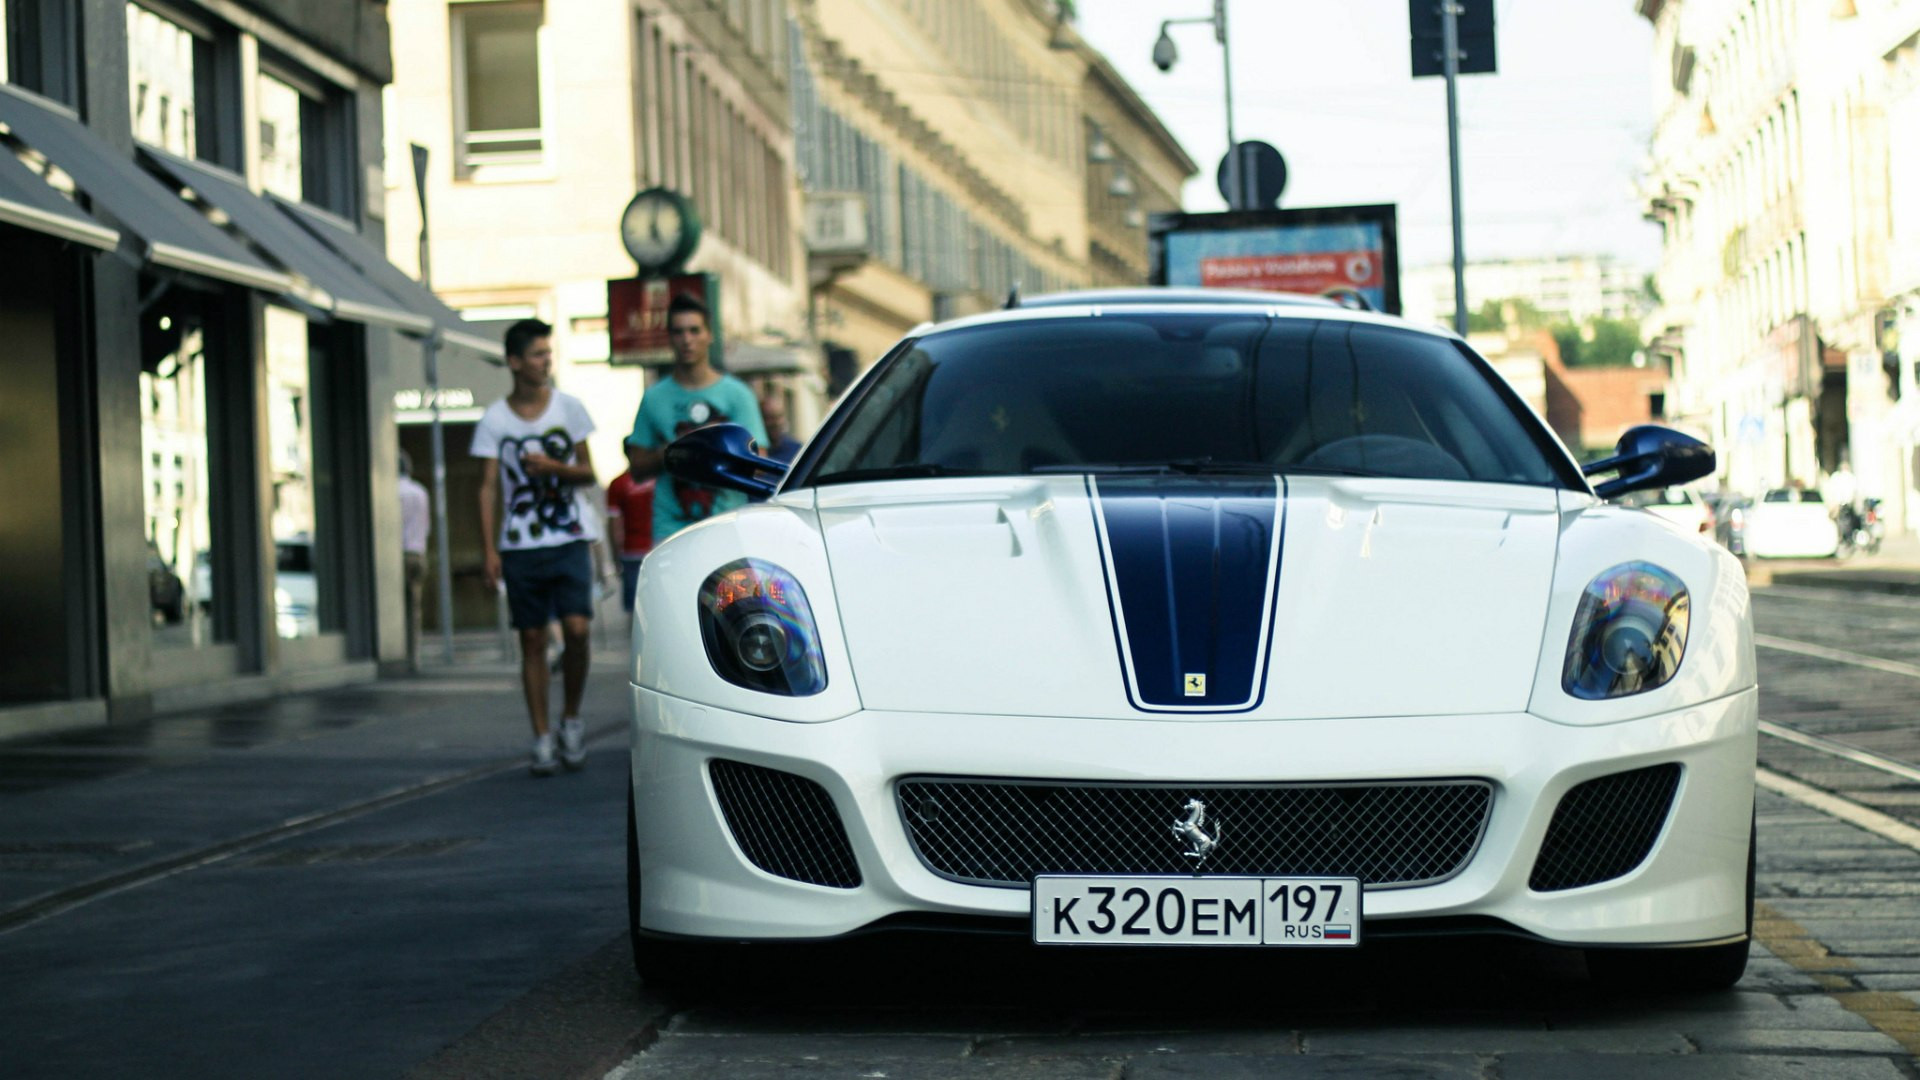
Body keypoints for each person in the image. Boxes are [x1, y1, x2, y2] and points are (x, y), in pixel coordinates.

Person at [472, 319, 600, 776]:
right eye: (538, 354)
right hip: (520, 545)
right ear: (514, 362)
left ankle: (572, 719)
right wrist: (489, 550)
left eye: (549, 353)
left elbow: (589, 473)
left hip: (567, 537)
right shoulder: (495, 419)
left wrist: (553, 467)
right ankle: (543, 736)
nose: (547, 361)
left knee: (578, 631)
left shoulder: (569, 408)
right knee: (530, 638)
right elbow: (487, 487)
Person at [624, 294, 766, 544]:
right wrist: (675, 450)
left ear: (709, 335)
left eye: (694, 330)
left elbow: (760, 464)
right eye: (678, 332)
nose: (687, 340)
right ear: (669, 338)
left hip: (727, 525)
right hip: (671, 528)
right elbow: (637, 469)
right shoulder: (654, 397)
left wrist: (719, 446)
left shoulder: (737, 395)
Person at [605, 470, 655, 624]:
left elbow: (614, 524)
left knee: (635, 610)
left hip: (631, 552)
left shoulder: (618, 483)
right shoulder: (661, 479)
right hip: (657, 549)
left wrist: (615, 557)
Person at [397, 449, 431, 674]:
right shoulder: (420, 491)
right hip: (417, 551)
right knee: (414, 608)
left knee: (395, 607)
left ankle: (398, 654)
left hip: (398, 553)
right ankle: (414, 657)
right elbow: (426, 525)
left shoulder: (391, 492)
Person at [760, 391, 804, 465]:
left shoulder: (798, 451)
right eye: (769, 418)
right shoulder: (756, 452)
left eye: (779, 416)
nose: (775, 423)